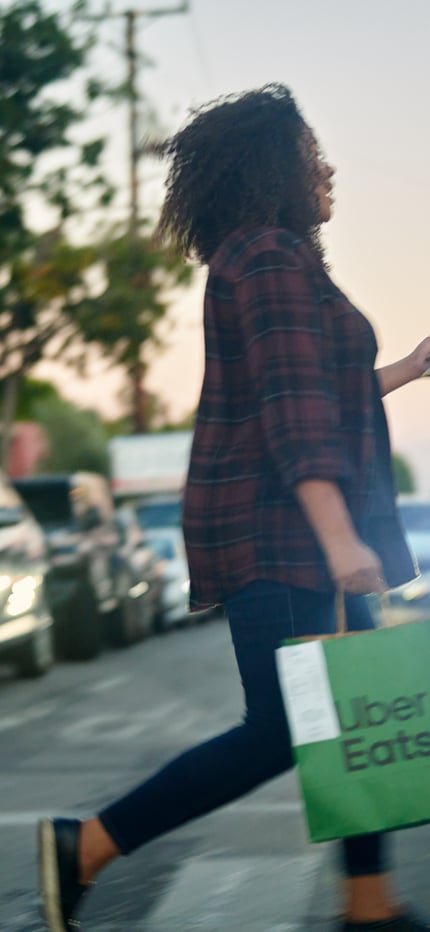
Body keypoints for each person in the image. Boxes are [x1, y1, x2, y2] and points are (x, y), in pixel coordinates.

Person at [38, 84, 430, 932]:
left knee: (352, 718)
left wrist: (410, 366)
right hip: (283, 539)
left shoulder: (272, 260)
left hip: (294, 537)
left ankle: (371, 905)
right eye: (311, 154)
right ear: (272, 167)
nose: (327, 169)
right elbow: (294, 415)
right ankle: (88, 846)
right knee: (285, 729)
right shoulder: (267, 260)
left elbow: (321, 391)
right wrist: (340, 540)